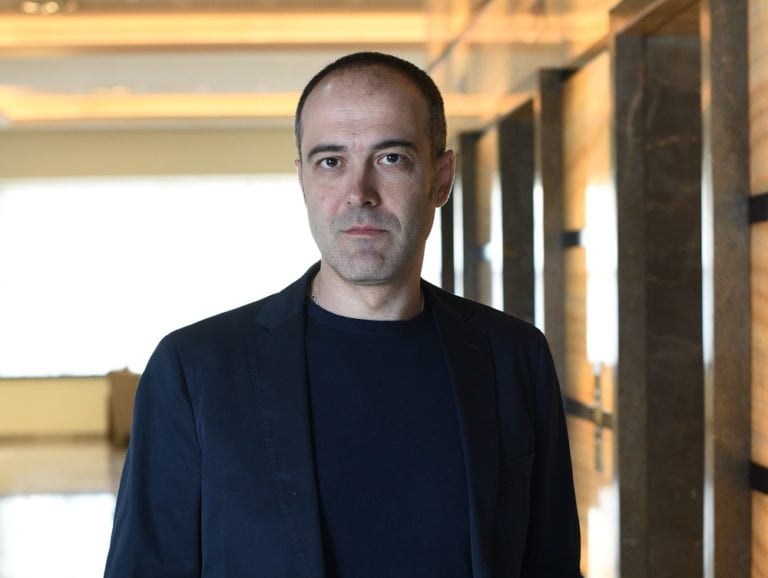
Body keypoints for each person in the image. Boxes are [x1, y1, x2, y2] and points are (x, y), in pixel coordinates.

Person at [104, 51, 582, 578]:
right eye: (331, 162)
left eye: (391, 158)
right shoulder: (195, 369)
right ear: (304, 181)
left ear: (441, 179)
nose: (359, 194)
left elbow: (551, 562)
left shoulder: (514, 356)